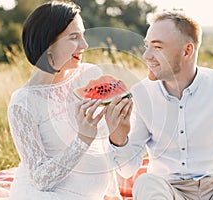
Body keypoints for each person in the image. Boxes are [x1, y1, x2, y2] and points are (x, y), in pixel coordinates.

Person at [107, 11, 213, 199]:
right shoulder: (142, 94)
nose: (146, 56)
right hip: (169, 191)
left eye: (157, 47)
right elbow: (127, 171)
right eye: (147, 46)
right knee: (145, 182)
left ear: (187, 51)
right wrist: (118, 138)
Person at [7, 1, 128, 199]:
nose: (85, 45)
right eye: (74, 38)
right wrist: (83, 139)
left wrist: (113, 195)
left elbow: (103, 147)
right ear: (48, 44)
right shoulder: (23, 103)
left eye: (83, 35)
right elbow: (40, 179)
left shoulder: (90, 74)